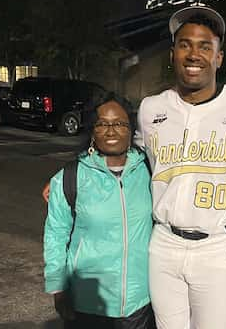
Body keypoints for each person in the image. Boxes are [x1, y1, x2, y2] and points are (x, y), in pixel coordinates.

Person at [135, 6, 226, 329]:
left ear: (219, 58)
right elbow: (133, 158)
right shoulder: (151, 109)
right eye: (185, 44)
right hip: (164, 243)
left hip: (218, 247)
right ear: (172, 54)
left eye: (204, 46)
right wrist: (70, 178)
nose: (193, 54)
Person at [43, 94, 156, 329]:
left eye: (119, 124)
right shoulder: (70, 177)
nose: (111, 130)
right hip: (87, 302)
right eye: (102, 123)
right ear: (92, 131)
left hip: (139, 302)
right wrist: (58, 287)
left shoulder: (149, 171)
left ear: (131, 130)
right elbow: (55, 234)